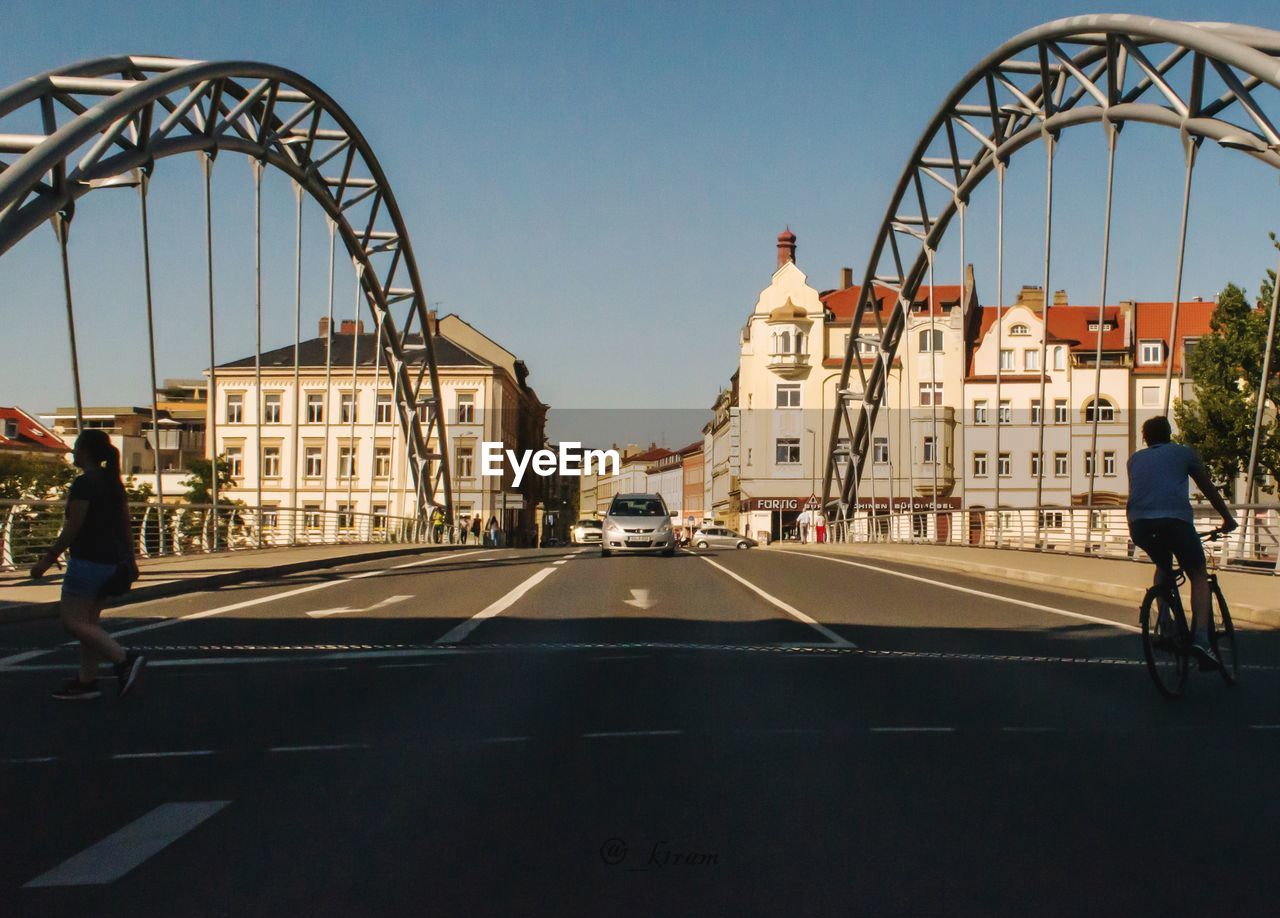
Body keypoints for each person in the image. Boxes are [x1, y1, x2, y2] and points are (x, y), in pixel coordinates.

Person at [30, 430, 146, 700]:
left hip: (87, 562)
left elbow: (73, 527)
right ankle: (87, 681)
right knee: (89, 624)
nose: (73, 453)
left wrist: (47, 560)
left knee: (72, 622)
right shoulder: (112, 482)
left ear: (85, 452)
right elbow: (125, 525)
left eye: (76, 448)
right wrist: (130, 559)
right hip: (111, 562)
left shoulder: (85, 484)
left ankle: (123, 659)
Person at [1127, 416, 1237, 668]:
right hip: (1175, 521)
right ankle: (1200, 638)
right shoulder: (1183, 453)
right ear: (1170, 435)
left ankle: (1164, 623)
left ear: (1145, 438)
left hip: (1139, 525)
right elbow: (1207, 487)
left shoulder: (1134, 459)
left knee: (1163, 565)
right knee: (1198, 573)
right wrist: (1227, 519)